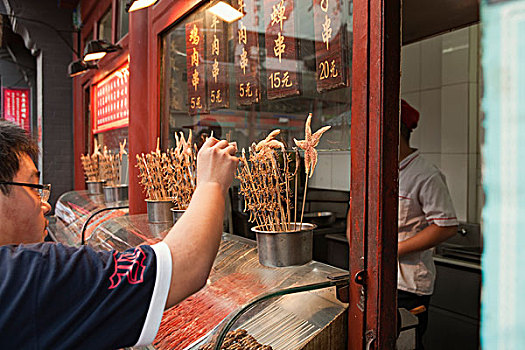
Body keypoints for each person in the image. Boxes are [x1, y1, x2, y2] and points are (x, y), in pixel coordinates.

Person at [0, 120, 239, 349]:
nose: (46, 205)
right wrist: (211, 183)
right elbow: (182, 268)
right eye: (35, 188)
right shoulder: (28, 275)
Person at [397, 100, 458, 349]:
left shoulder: (425, 175)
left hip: (409, 285)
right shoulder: (382, 170)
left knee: (406, 343)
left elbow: (445, 225)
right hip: (379, 276)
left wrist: (392, 251)